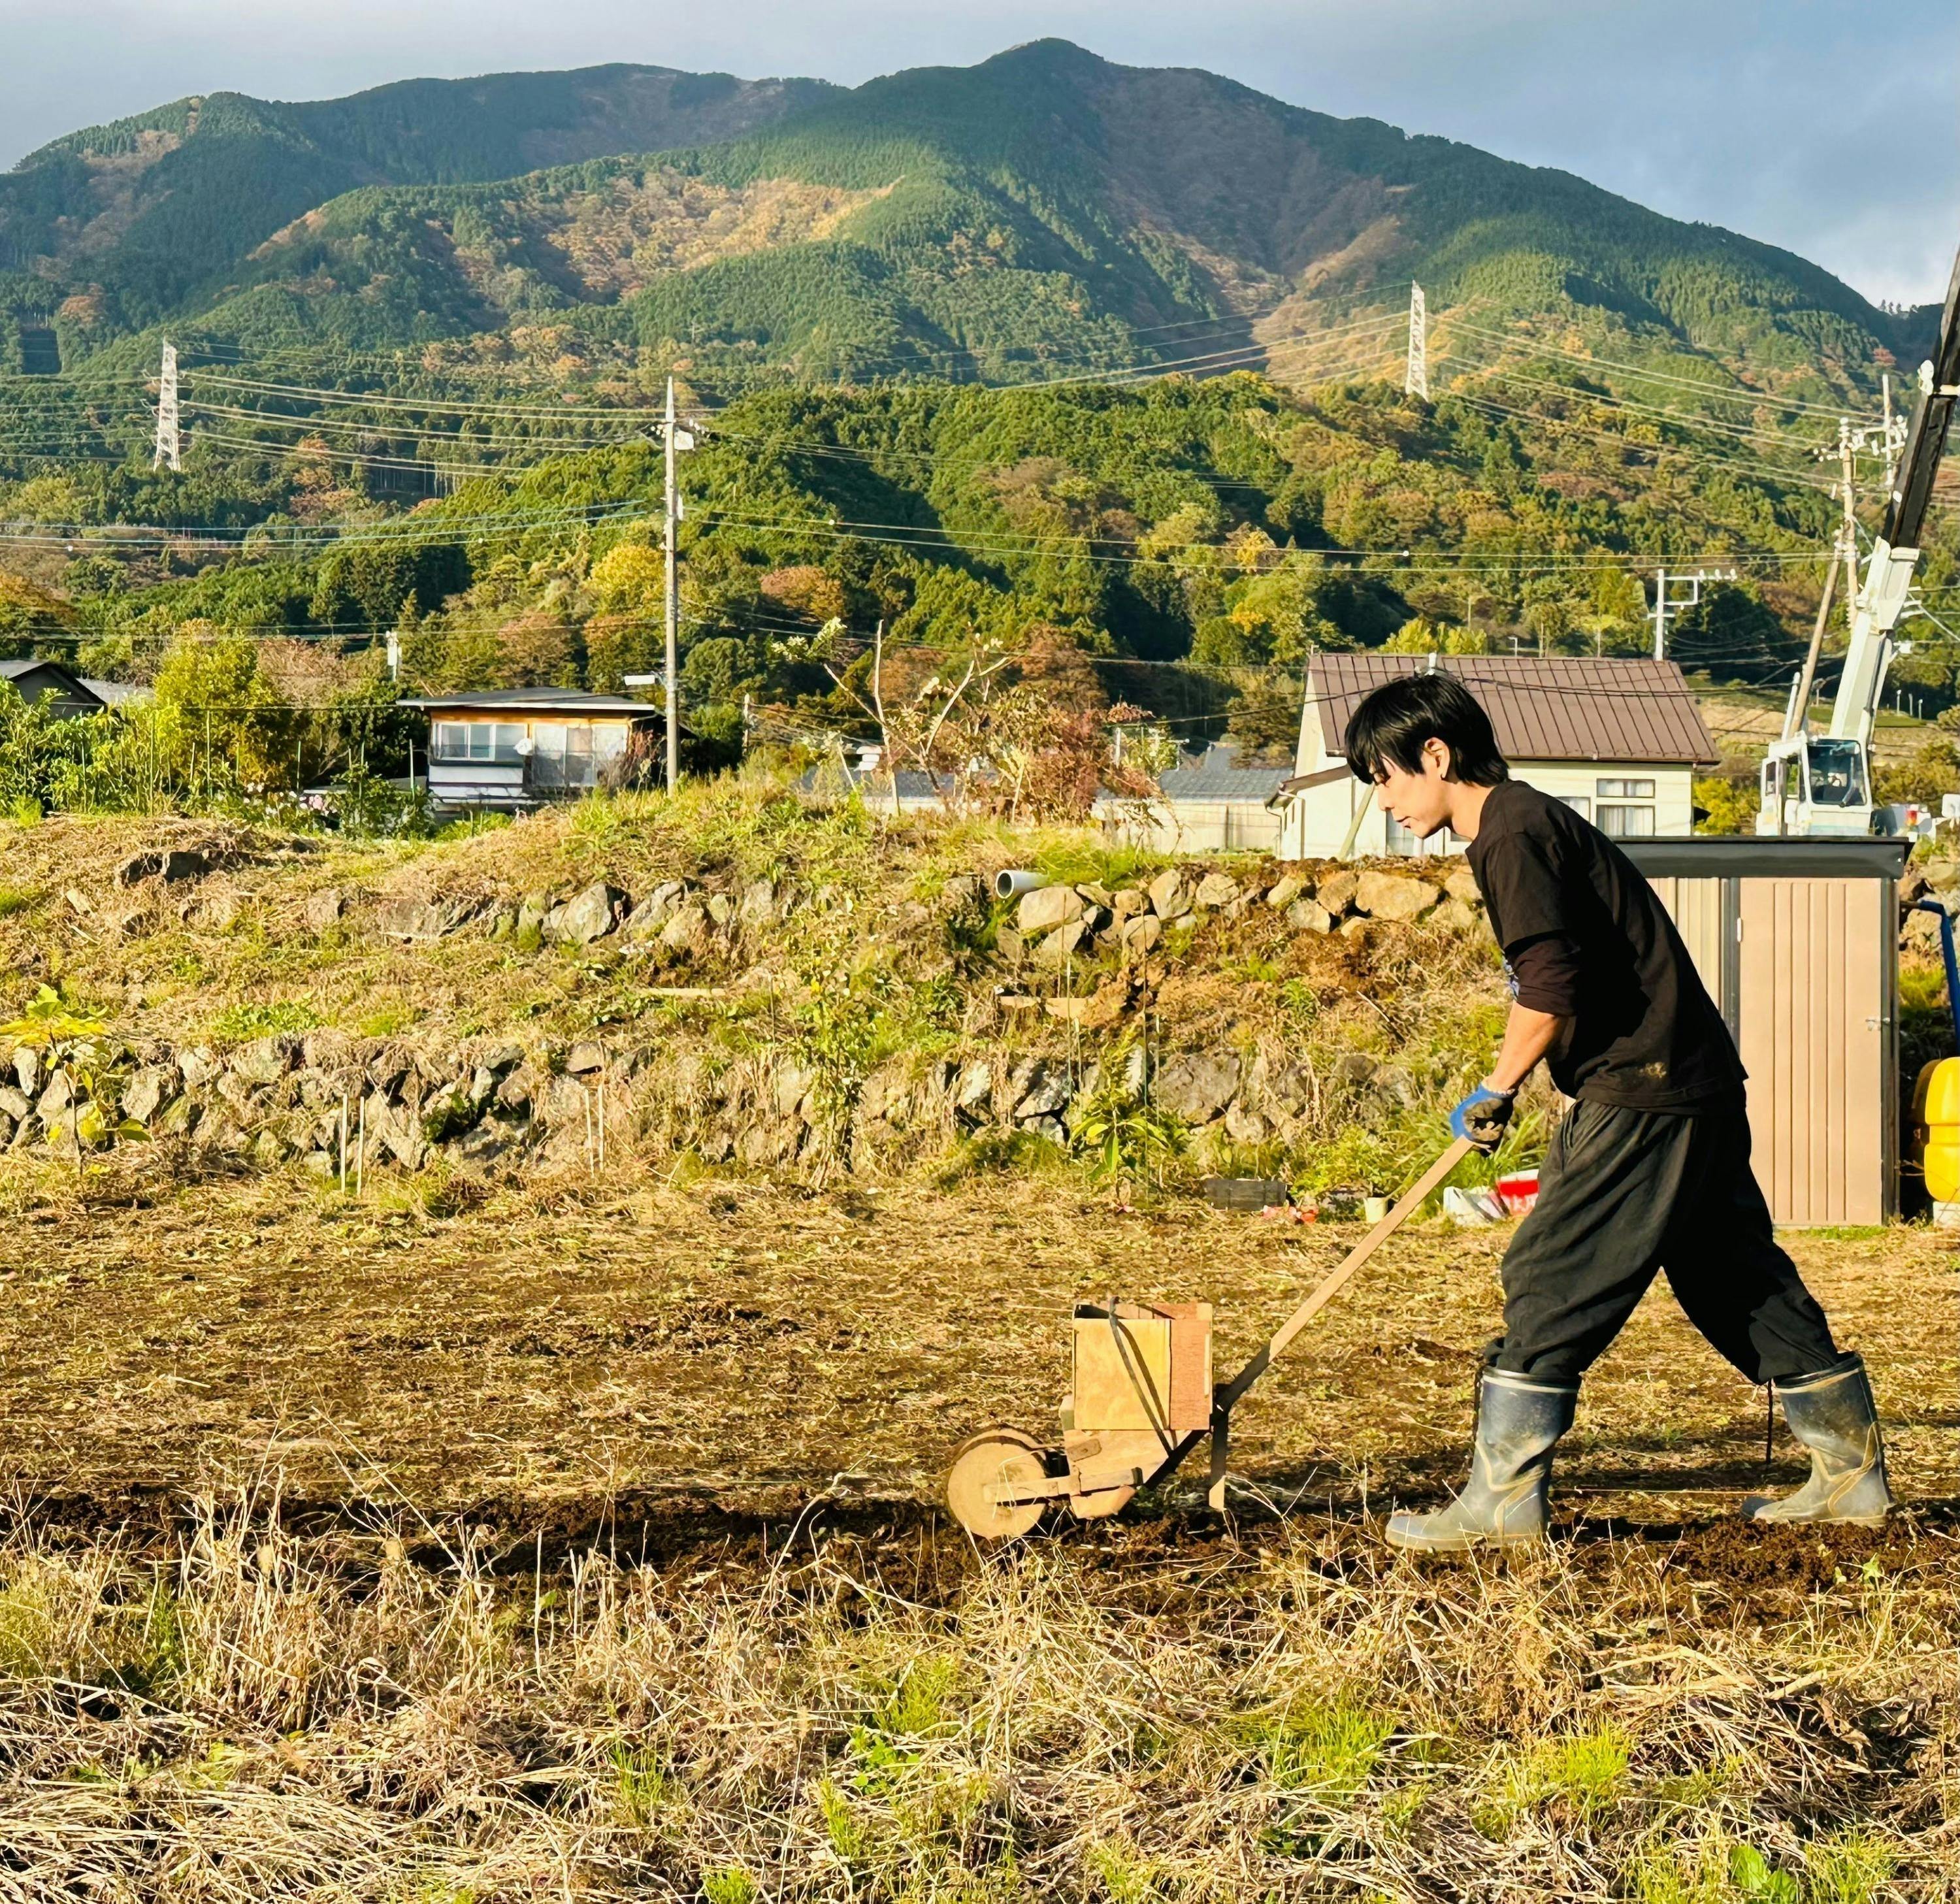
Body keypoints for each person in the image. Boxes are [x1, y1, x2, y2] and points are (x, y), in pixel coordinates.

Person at [1341, 671, 1891, 1552]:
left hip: (1645, 1084)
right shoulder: (1526, 820)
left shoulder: (1511, 832)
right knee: (1733, 1277)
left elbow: (1551, 985)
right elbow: (1559, 974)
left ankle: (1503, 1501)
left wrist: (1499, 1086)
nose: (1387, 801)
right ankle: (1852, 1474)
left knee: (1550, 1271)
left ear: (1435, 754)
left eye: (1389, 778)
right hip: (1692, 1078)